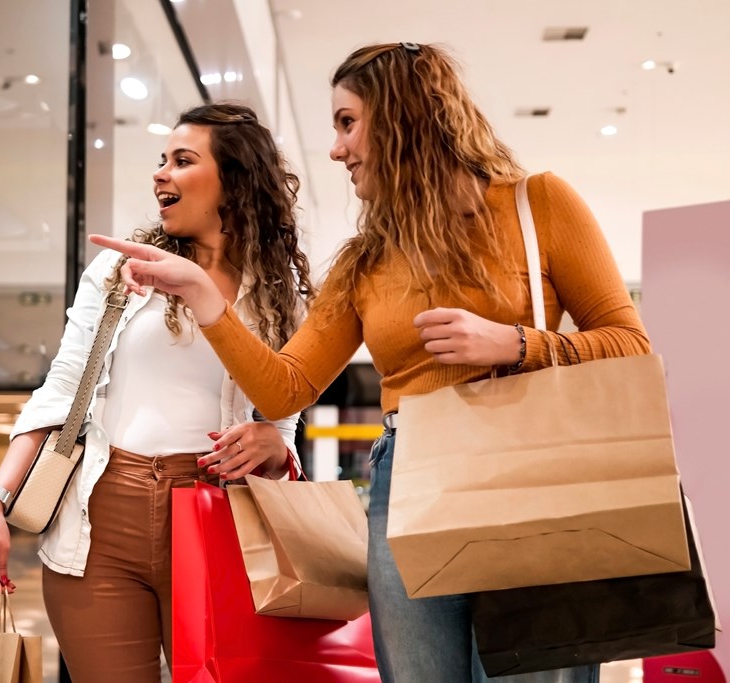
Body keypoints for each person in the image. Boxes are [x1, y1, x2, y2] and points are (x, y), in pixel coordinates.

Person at [92, 42, 650, 683]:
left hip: (527, 476)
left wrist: (517, 344)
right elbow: (284, 389)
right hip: (410, 478)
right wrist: (201, 293)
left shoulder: (537, 203)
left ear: (403, 118)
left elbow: (629, 343)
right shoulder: (364, 260)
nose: (335, 148)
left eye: (347, 122)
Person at [0, 102, 313, 682]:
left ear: (233, 181)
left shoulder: (280, 295)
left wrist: (274, 446)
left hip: (217, 519)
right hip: (100, 518)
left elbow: (282, 423)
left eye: (183, 161)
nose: (161, 174)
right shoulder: (118, 272)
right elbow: (60, 393)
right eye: (162, 161)